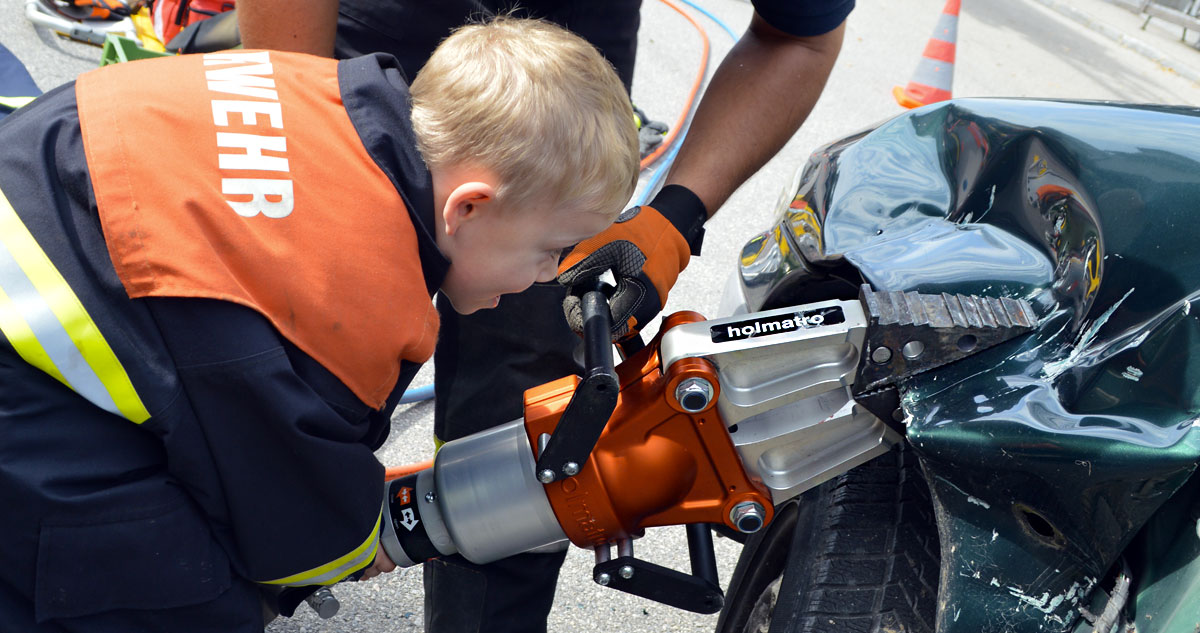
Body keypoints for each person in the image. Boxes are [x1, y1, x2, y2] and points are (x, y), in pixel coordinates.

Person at [0, 17, 637, 633]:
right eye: (550, 249)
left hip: (39, 217)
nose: (551, 274)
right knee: (195, 589)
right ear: (468, 206)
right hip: (24, 395)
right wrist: (355, 543)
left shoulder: (327, 99)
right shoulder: (348, 299)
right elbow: (282, 497)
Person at [239, 2, 852, 632]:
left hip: (564, 70)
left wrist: (675, 216)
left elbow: (800, 39)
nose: (551, 273)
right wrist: (300, 125)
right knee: (297, 360)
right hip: (369, 38)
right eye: (549, 254)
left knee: (528, 412)